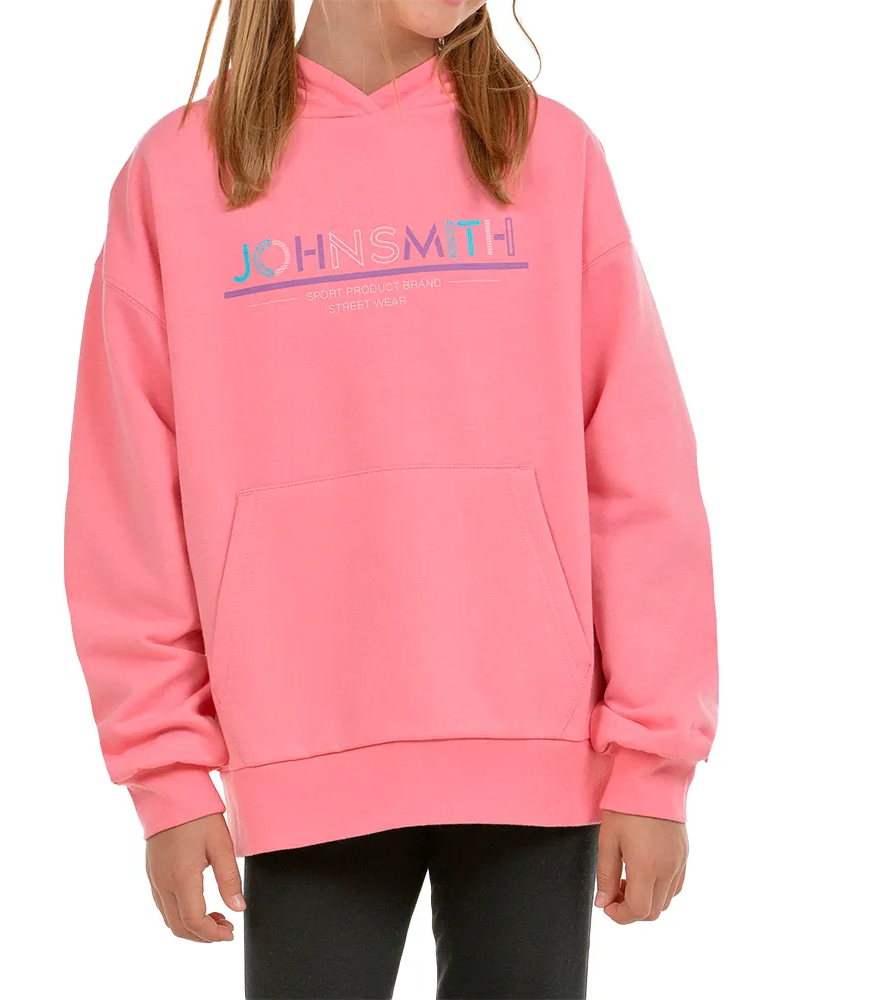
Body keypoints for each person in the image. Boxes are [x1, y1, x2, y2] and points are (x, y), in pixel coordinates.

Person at [63, 1, 719, 997]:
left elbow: (639, 470)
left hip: (534, 755)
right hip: (298, 747)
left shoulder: (551, 156)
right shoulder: (178, 175)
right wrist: (167, 771)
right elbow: (127, 508)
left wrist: (653, 756)